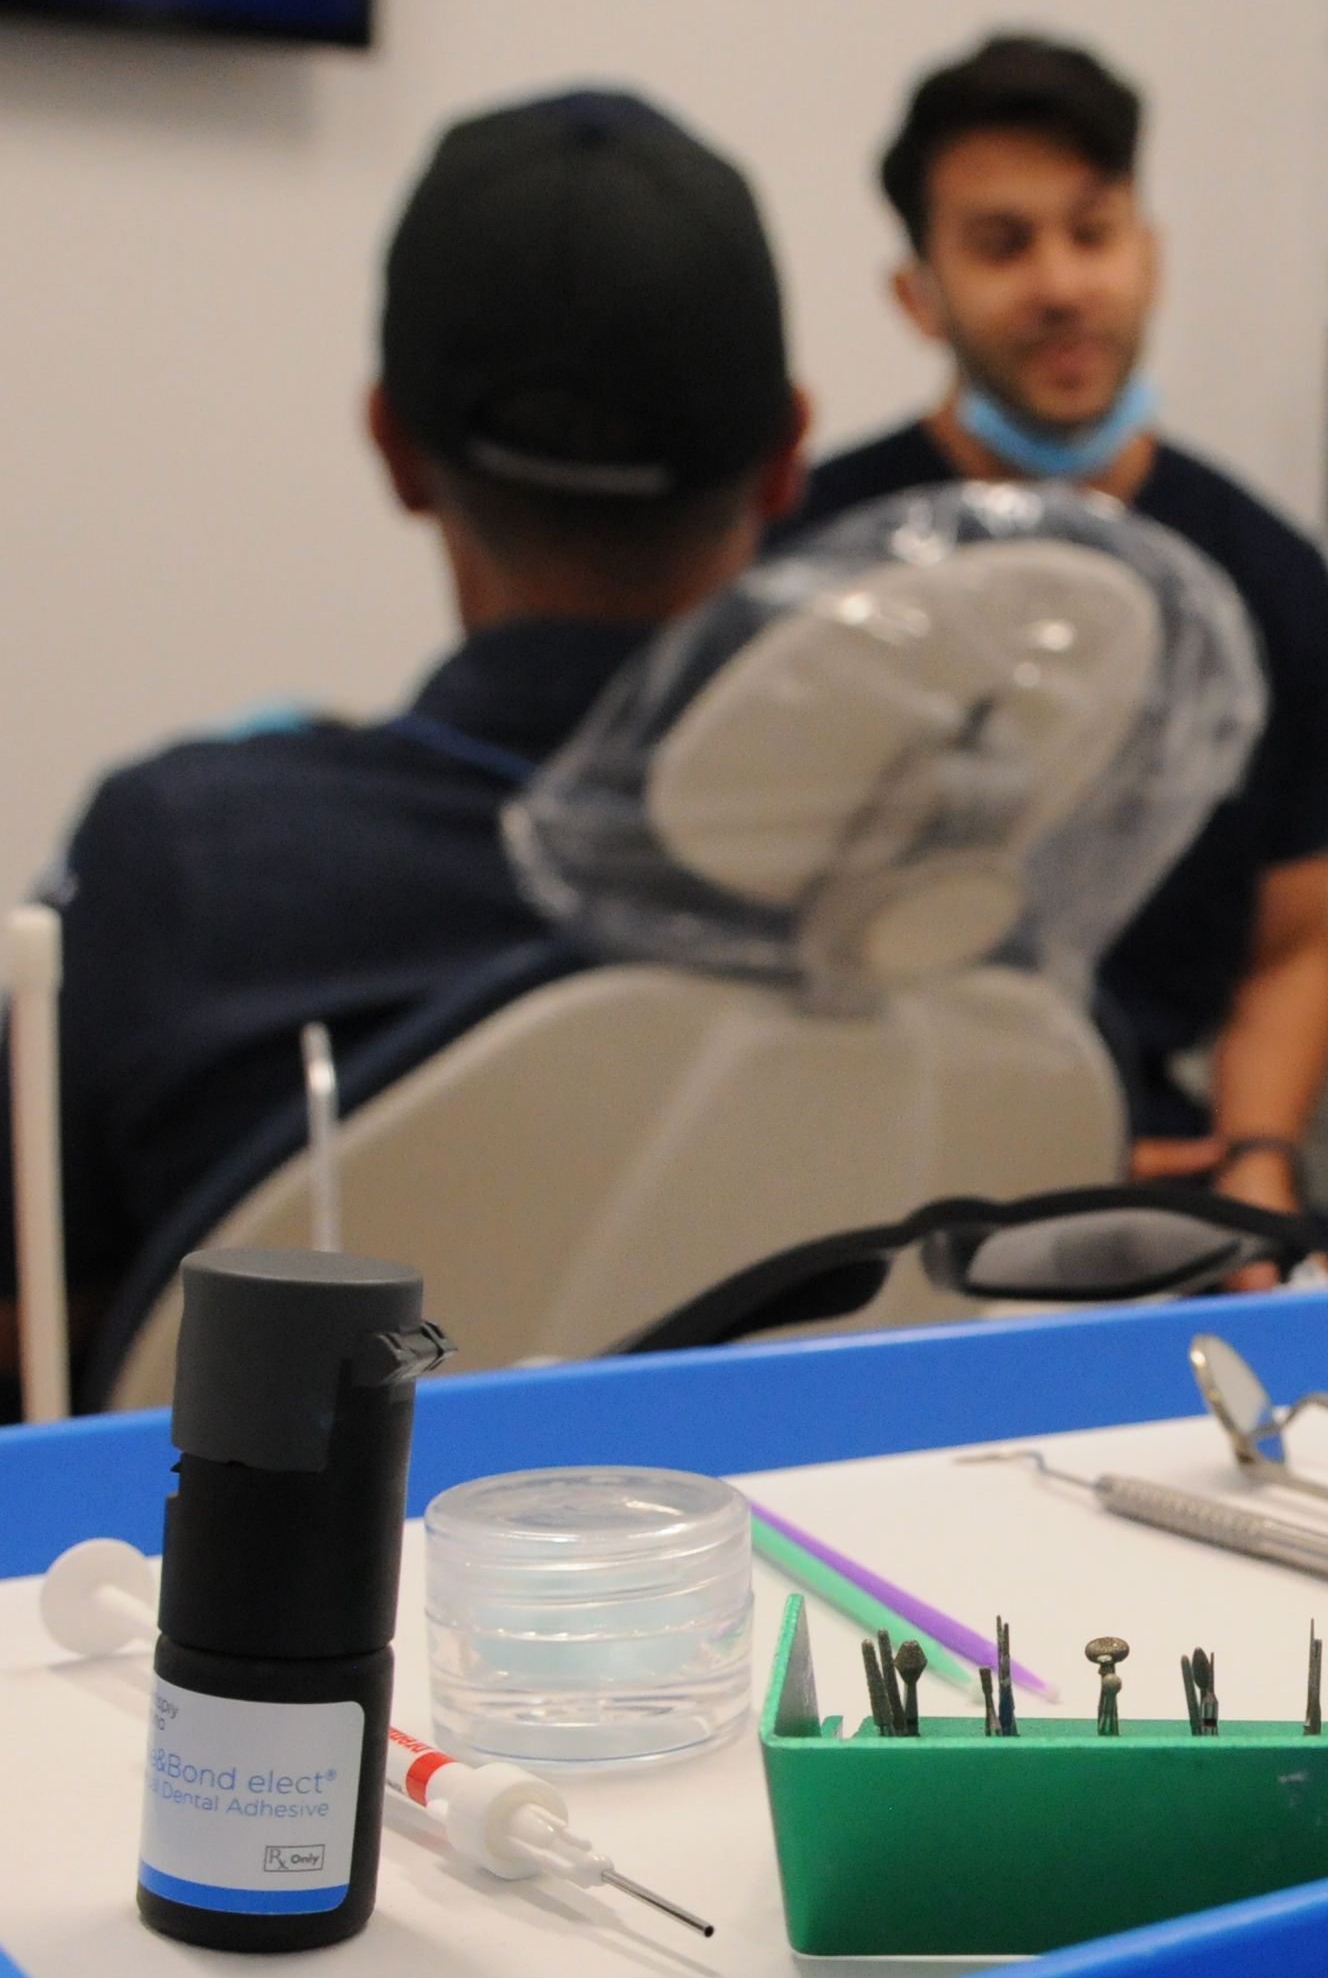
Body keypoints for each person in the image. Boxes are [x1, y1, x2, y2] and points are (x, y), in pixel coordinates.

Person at [0, 89, 809, 1412]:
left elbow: (32, 1324)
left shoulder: (187, 864)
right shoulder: (950, 898)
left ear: (393, 445)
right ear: (786, 459)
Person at [786, 35, 1328, 1245]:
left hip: (1156, 1173)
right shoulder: (814, 556)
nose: (1060, 285)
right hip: (865, 1169)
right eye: (1002, 245)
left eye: (1092, 232)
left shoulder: (1271, 577)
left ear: (1149, 254)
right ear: (918, 293)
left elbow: (1292, 946)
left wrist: (1258, 1165)